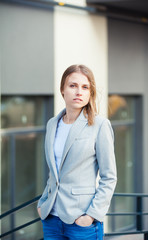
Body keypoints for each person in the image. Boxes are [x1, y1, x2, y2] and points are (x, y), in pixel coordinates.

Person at [37, 64, 117, 240]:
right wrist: (42, 202)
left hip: (81, 222)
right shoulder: (52, 124)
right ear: (62, 90)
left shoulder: (100, 125)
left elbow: (109, 177)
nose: (79, 91)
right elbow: (54, 172)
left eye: (85, 87)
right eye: (73, 86)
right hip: (51, 219)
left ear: (90, 93)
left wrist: (91, 215)